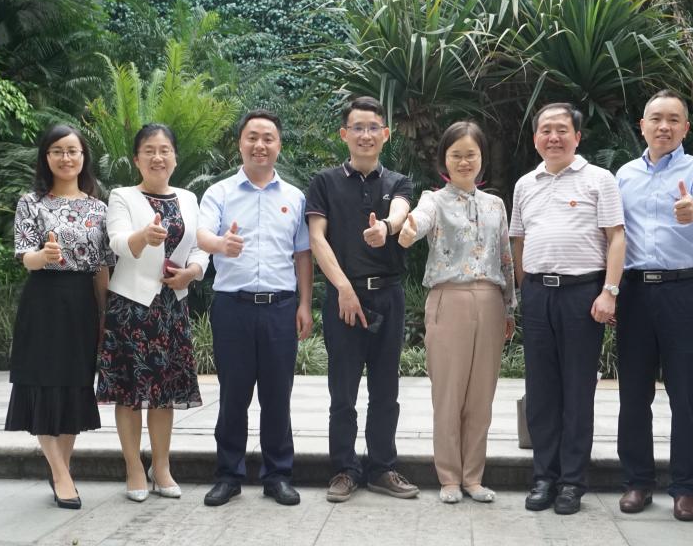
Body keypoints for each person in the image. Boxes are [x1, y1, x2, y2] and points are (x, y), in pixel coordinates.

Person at [510, 103, 626, 515]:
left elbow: (616, 237)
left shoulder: (599, 179)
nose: (553, 137)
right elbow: (518, 241)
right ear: (535, 138)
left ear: (577, 137)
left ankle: (572, 481)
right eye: (546, 130)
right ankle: (544, 476)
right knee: (541, 391)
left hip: (582, 294)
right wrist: (524, 290)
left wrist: (609, 291)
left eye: (562, 129)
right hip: (538, 295)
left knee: (577, 390)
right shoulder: (525, 184)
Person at [306, 95, 420, 503]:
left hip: (388, 295)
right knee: (343, 393)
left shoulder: (398, 182)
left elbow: (401, 212)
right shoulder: (324, 182)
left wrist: (386, 227)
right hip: (344, 296)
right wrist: (343, 288)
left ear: (385, 134)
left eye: (373, 127)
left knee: (386, 390)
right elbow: (317, 238)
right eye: (358, 127)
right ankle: (344, 469)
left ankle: (382, 468)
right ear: (344, 134)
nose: (366, 134)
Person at [197, 110, 313, 507]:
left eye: (268, 138)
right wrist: (219, 245)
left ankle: (277, 475)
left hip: (280, 307)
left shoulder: (295, 197)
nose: (259, 145)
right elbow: (202, 234)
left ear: (279, 145)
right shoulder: (220, 193)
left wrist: (305, 304)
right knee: (233, 395)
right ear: (240, 143)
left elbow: (303, 255)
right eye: (252, 137)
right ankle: (228, 475)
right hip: (233, 307)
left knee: (277, 396)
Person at [398, 121, 517, 505]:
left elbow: (506, 259)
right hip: (448, 301)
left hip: (491, 302)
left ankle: (473, 477)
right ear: (444, 160)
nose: (464, 161)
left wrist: (510, 309)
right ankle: (449, 477)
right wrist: (407, 231)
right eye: (456, 155)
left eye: (471, 154)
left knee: (481, 397)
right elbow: (418, 221)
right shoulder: (434, 201)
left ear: (482, 158)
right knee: (448, 394)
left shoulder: (496, 205)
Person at [615, 90, 693, 521]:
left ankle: (685, 488)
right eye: (656, 118)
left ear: (685, 128)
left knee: (685, 393)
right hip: (635, 292)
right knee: (633, 393)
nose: (664, 126)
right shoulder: (623, 175)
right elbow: (611, 234)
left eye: (673, 119)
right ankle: (637, 482)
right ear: (641, 126)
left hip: (684, 290)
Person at [96, 124, 209, 502]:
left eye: (164, 150)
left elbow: (200, 246)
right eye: (149, 150)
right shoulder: (122, 196)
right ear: (136, 159)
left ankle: (161, 467)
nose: (157, 157)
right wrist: (143, 237)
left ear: (175, 157)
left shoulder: (189, 198)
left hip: (171, 306)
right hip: (131, 306)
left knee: (165, 393)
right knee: (129, 392)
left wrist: (192, 272)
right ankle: (133, 467)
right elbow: (116, 242)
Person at [5, 124, 114, 510]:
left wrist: (104, 315)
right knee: (42, 384)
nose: (66, 158)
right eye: (57, 151)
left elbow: (102, 266)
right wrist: (43, 256)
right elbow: (25, 257)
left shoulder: (99, 208)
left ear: (83, 157)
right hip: (44, 300)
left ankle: (60, 471)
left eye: (72, 151)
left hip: (82, 304)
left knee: (74, 386)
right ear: (46, 157)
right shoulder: (31, 202)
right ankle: (61, 474)